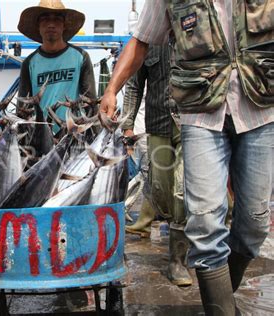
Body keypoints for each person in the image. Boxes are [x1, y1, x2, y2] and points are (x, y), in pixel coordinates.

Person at [100, 1, 273, 314]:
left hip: (261, 110)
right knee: (205, 224)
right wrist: (112, 89)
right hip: (199, 113)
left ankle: (224, 299)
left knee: (254, 225)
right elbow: (140, 41)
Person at [122, 44, 192, 287]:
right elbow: (133, 85)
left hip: (191, 123)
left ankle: (177, 260)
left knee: (181, 191)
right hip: (158, 124)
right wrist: (127, 125)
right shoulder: (148, 40)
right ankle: (184, 236)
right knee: (161, 193)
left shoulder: (193, 30)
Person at [17, 0, 96, 121]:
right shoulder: (29, 63)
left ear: (64, 25)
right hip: (40, 135)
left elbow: (91, 103)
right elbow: (22, 108)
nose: (51, 24)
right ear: (38, 25)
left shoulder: (81, 57)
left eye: (57, 19)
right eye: (45, 19)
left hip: (72, 135)